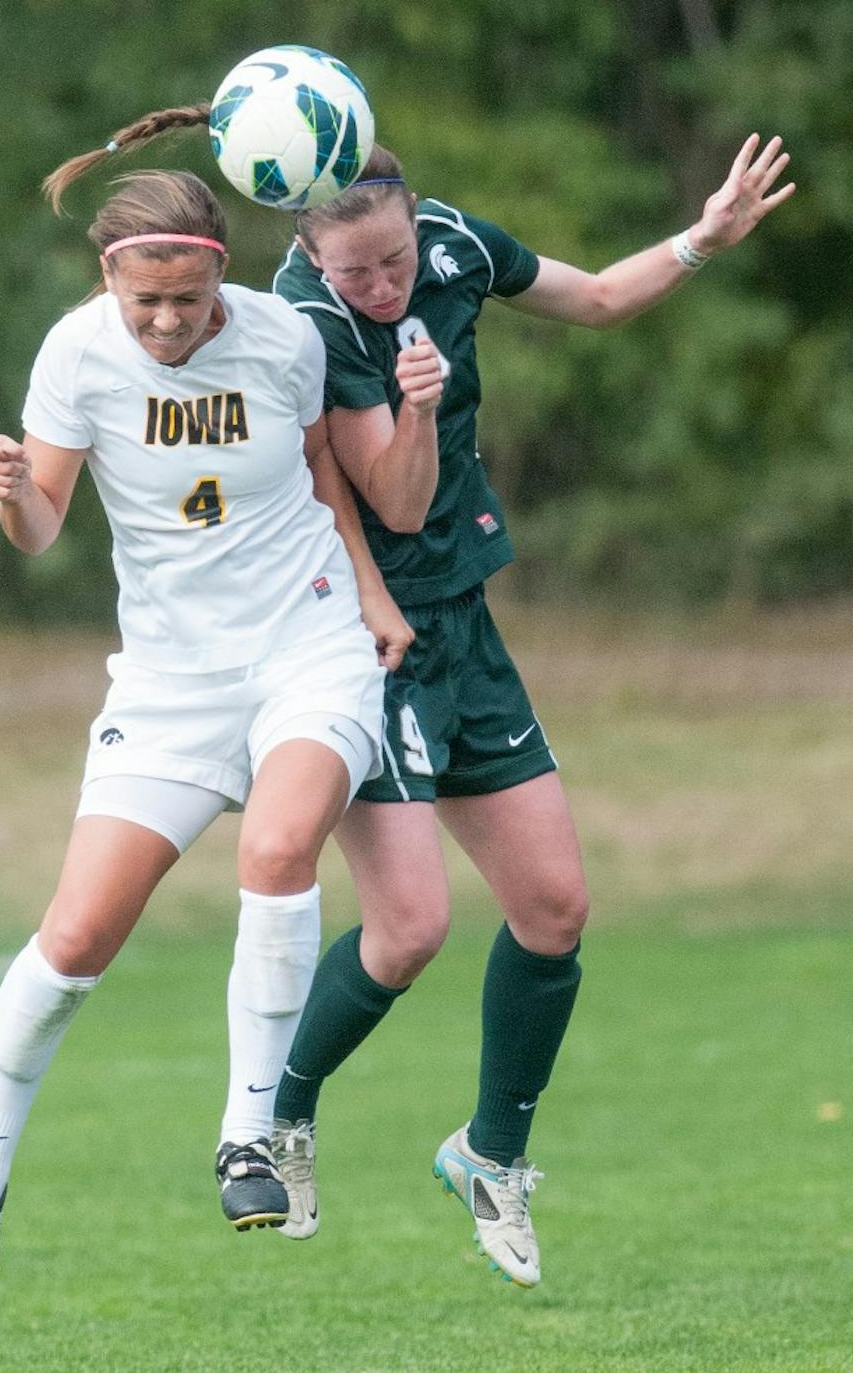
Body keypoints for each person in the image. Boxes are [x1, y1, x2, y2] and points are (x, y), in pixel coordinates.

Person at [264, 133, 795, 1286]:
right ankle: (277, 1115)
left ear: (415, 222)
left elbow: (597, 297)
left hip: (463, 624)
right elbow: (395, 505)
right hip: (362, 636)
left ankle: (490, 1154)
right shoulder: (301, 322)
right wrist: (416, 398)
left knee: (555, 907)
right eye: (357, 270)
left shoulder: (452, 242)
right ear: (307, 248)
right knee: (407, 929)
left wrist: (701, 237)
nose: (383, 285)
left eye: (393, 259)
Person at [0, 135, 429, 1324]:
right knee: (74, 937)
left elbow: (317, 472)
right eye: (143, 300)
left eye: (186, 299)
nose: (165, 323)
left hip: (306, 647)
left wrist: (364, 594)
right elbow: (45, 524)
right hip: (167, 680)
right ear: (108, 283)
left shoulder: (281, 336)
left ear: (221, 277)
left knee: (278, 849)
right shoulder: (77, 355)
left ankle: (248, 1134)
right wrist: (12, 491)